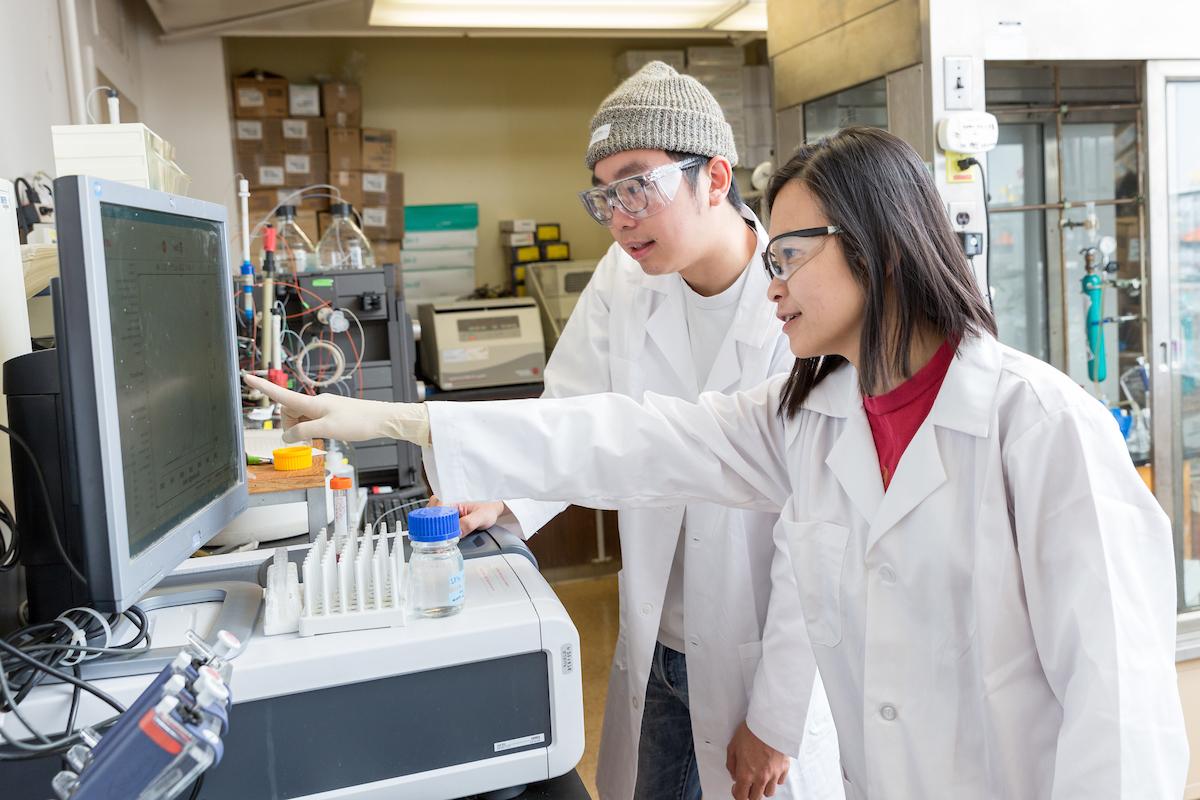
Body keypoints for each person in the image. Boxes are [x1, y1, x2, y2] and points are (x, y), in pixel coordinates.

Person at [244, 126, 1189, 798]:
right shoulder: (812, 420)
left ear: (882, 247)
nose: (770, 283)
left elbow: (1122, 714)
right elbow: (622, 433)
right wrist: (388, 417)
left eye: (790, 255)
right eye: (768, 256)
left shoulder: (1038, 427)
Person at [424, 61, 841, 800]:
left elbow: (817, 532)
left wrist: (777, 716)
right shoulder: (626, 279)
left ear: (715, 177)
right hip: (659, 640)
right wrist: (506, 496)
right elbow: (573, 409)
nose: (619, 216)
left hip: (760, 649)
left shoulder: (796, 306)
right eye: (605, 193)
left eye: (638, 184)